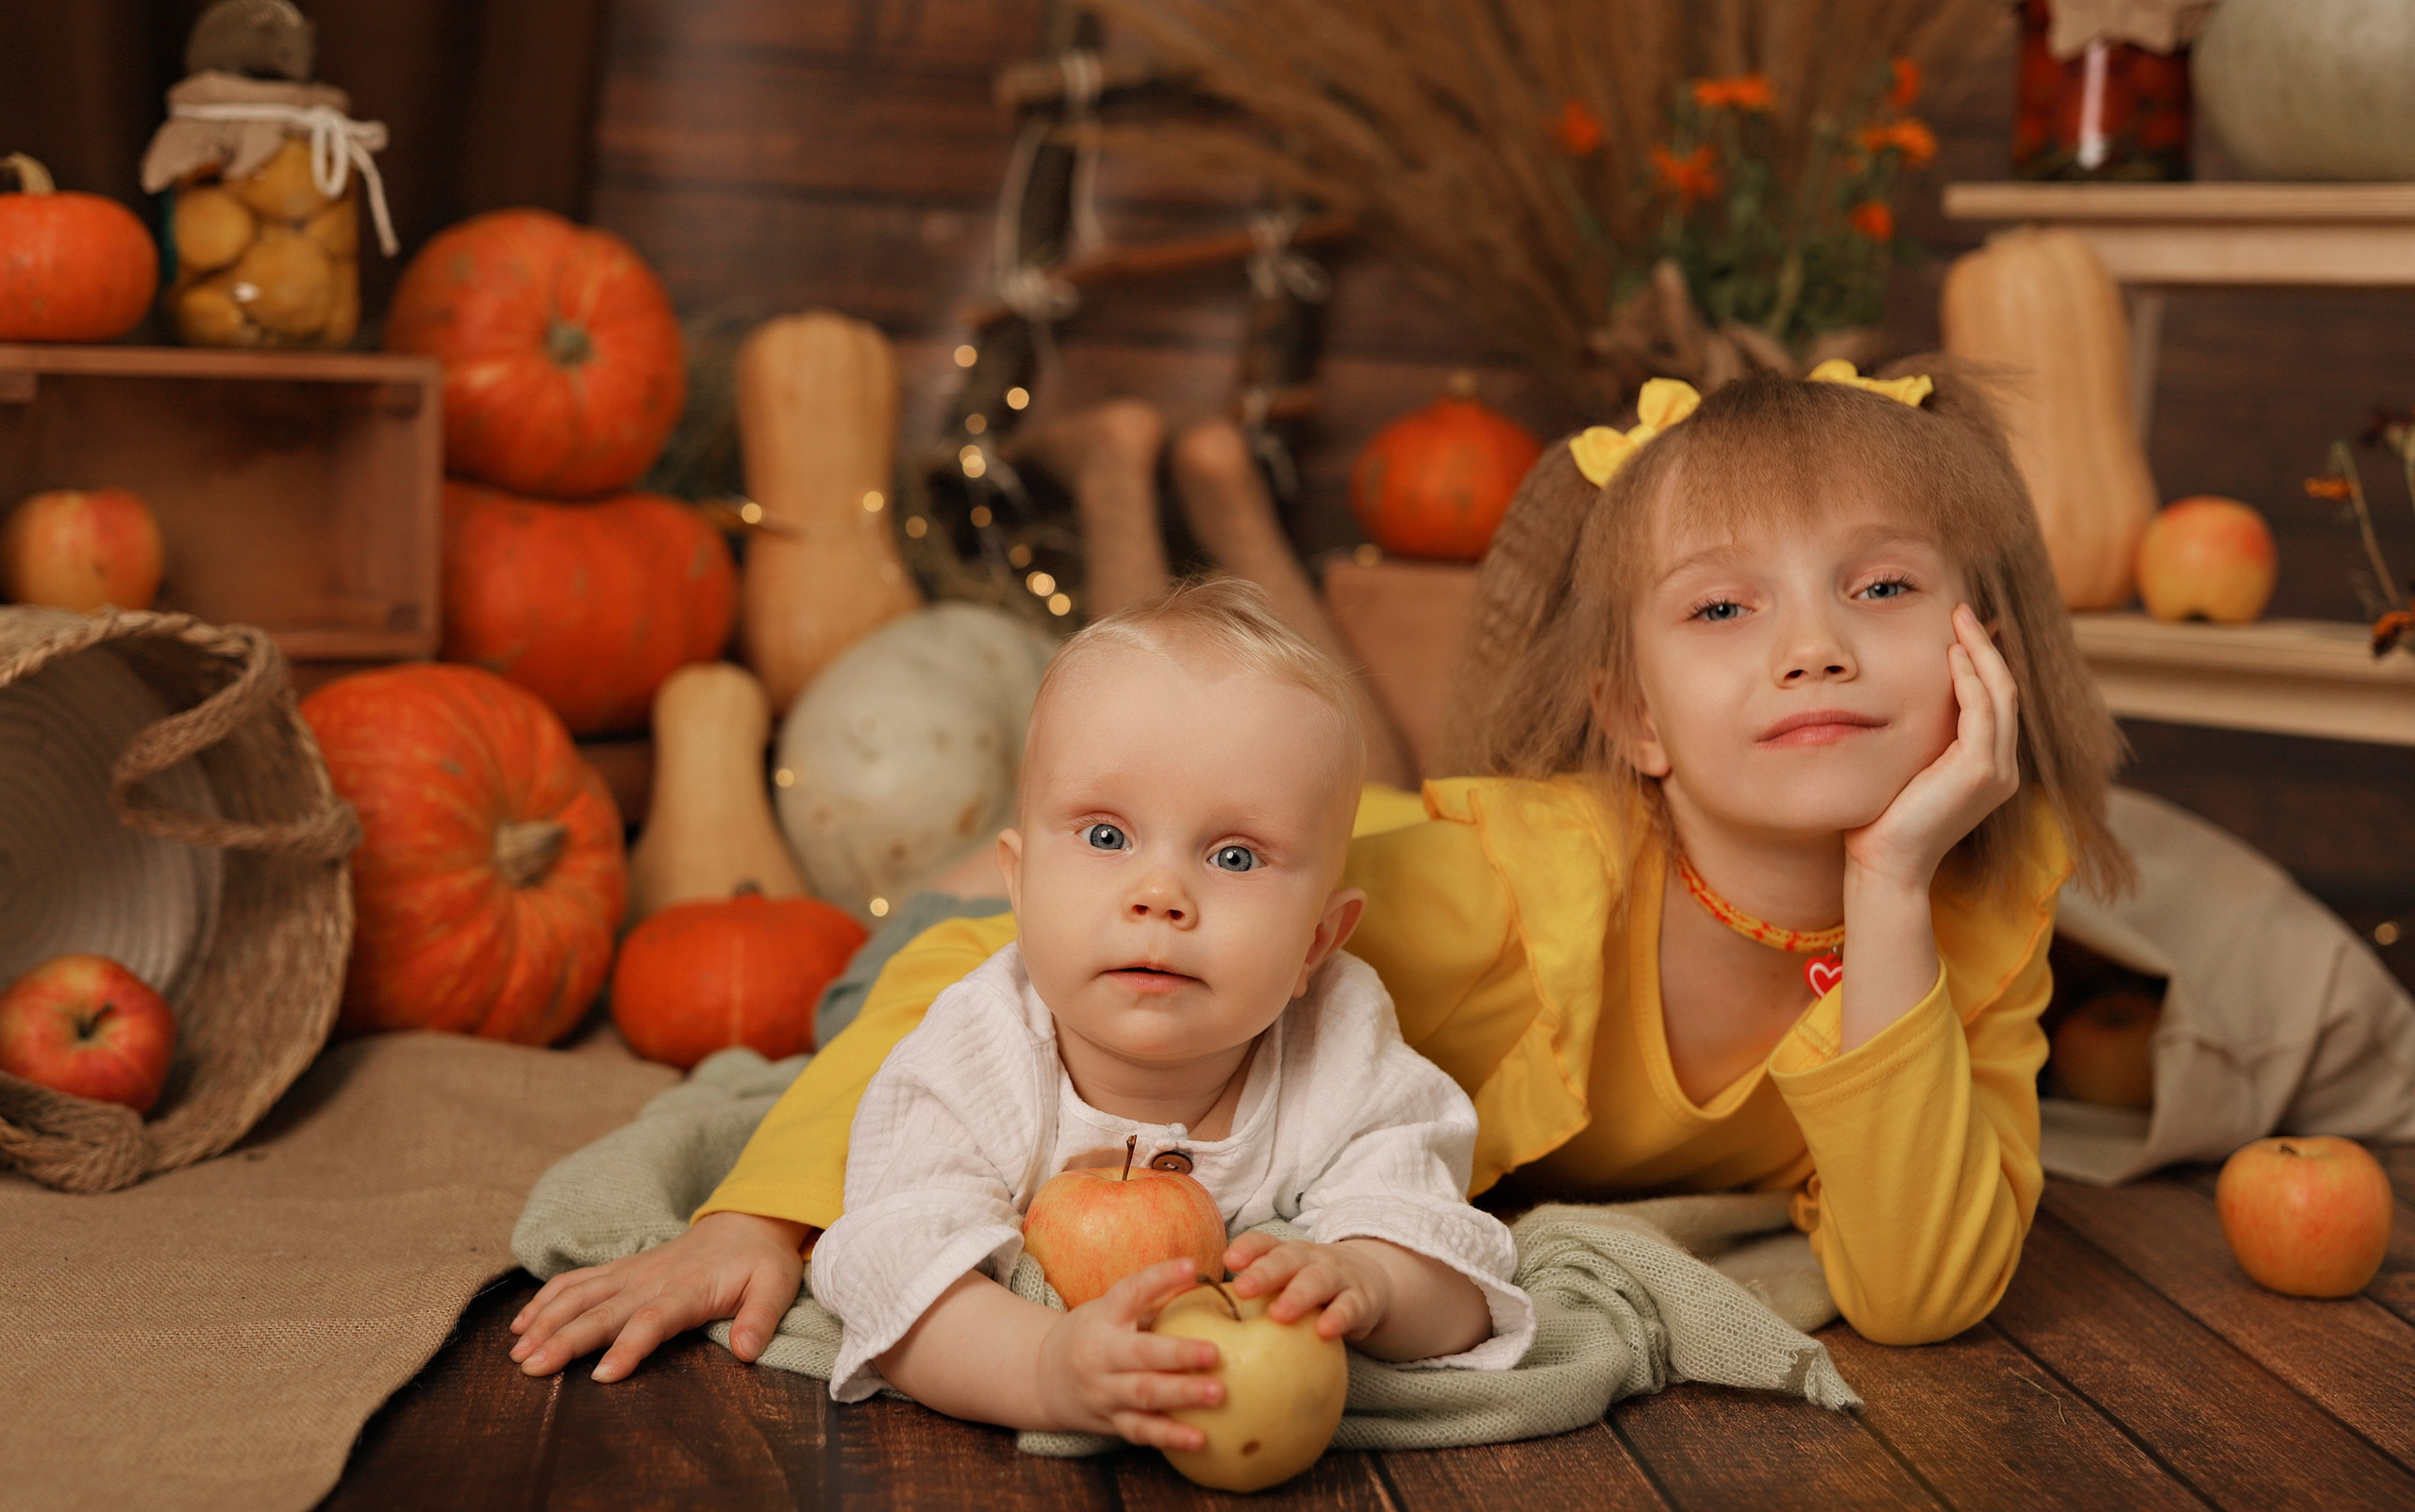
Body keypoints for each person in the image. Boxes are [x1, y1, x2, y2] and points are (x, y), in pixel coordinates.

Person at [511, 357, 2124, 1376]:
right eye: (1723, 608)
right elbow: (988, 969)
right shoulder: (1481, 886)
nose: (1816, 648)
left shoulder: (1979, 900)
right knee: (929, 998)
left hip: (1195, 995)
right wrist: (764, 1219)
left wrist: (1897, 877)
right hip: (1019, 952)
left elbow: (1920, 1294)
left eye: (1886, 587)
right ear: (1629, 712)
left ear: (1987, 641)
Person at [513, 582, 1535, 1442]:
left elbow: (1444, 1244)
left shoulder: (1344, 1041)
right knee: (861, 1009)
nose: (1161, 895)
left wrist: (1367, 1278)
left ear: (1319, 941)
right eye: (1104, 835)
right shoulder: (977, 1043)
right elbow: (886, 1260)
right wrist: (1044, 1367)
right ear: (1023, 877)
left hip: (1065, 932)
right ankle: (949, 900)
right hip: (918, 963)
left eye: (1233, 857)